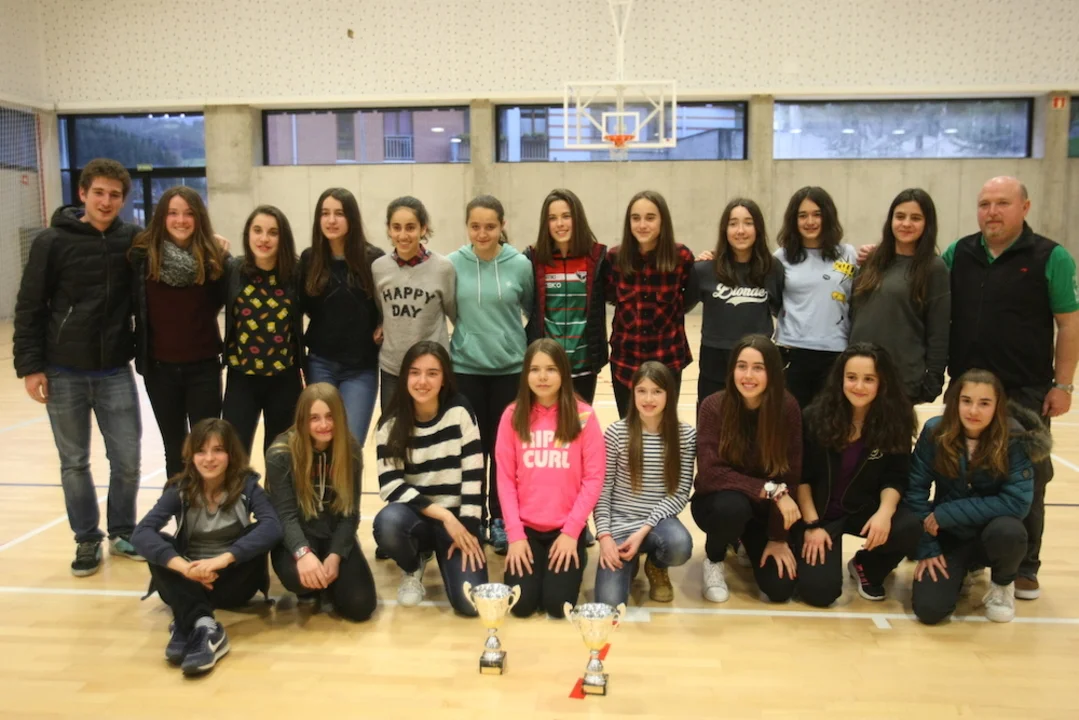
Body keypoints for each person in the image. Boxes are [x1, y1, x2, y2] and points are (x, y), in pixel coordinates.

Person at [942, 177, 1078, 600]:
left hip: (1025, 390)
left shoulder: (1051, 257)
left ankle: (1024, 565)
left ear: (1025, 207)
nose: (992, 212)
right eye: (984, 204)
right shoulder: (959, 253)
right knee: (956, 471)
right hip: (965, 387)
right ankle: (962, 556)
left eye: (1002, 203)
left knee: (1028, 477)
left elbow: (1069, 323)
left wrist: (1063, 384)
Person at [13, 158, 144, 575]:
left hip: (115, 370)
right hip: (63, 371)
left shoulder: (132, 240)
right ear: (82, 193)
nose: (106, 201)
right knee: (74, 463)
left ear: (123, 200)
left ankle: (122, 532)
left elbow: (175, 245)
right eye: (99, 193)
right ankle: (87, 539)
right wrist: (31, 367)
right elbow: (30, 306)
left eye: (115, 195)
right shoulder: (51, 241)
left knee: (128, 460)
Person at [131, 418, 282, 676]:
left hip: (233, 583)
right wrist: (185, 568)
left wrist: (222, 560)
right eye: (201, 451)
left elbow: (272, 527)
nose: (209, 459)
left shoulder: (247, 485)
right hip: (190, 578)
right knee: (160, 544)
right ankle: (205, 628)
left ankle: (185, 621)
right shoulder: (180, 489)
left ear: (230, 454)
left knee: (257, 534)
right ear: (191, 455)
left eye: (218, 450)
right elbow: (141, 533)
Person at [905, 370, 1048, 624]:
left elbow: (1017, 502)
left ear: (997, 406)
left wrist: (947, 513)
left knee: (1010, 531)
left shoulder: (1014, 439)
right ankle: (963, 572)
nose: (973, 411)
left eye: (984, 403)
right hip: (949, 535)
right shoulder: (934, 432)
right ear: (955, 402)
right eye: (966, 401)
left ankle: (1002, 585)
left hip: (990, 533)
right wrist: (927, 548)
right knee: (929, 610)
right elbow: (915, 491)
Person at [793, 344, 921, 606]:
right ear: (840, 379)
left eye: (869, 379)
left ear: (882, 382)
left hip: (863, 509)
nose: (859, 386)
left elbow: (896, 476)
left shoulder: (897, 420)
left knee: (910, 527)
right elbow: (801, 477)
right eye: (851, 377)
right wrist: (812, 526)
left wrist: (884, 514)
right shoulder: (814, 417)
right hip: (820, 514)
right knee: (820, 593)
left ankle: (867, 567)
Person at [373, 341, 487, 614]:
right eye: (415, 373)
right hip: (418, 517)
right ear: (405, 377)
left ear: (444, 378)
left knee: (471, 605)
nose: (422, 381)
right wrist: (444, 516)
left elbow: (474, 476)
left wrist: (468, 529)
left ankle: (448, 555)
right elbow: (391, 486)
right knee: (387, 522)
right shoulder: (390, 423)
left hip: (458, 521)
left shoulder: (460, 411)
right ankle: (413, 566)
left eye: (432, 373)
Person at [449, 195, 534, 554]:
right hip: (465, 368)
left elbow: (529, 307)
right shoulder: (452, 264)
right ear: (467, 226)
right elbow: (449, 309)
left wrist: (506, 341)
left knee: (503, 452)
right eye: (475, 226)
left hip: (509, 371)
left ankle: (500, 518)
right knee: (472, 450)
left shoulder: (520, 265)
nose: (482, 233)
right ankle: (473, 517)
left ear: (502, 226)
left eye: (490, 226)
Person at [496, 339, 605, 618]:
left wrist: (571, 532)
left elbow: (594, 479)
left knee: (557, 607)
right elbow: (505, 480)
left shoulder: (583, 415)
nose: (542, 377)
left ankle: (573, 557)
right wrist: (514, 535)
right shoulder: (512, 416)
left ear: (563, 373)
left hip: (565, 529)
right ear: (525, 374)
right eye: (535, 369)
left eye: (551, 369)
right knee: (521, 606)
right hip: (526, 529)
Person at [691, 334, 802, 604]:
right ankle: (714, 559)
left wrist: (778, 537)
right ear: (732, 370)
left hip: (763, 510)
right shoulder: (713, 406)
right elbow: (710, 473)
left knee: (780, 589)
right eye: (742, 366)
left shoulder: (787, 408)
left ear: (772, 372)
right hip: (718, 504)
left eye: (758, 368)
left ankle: (743, 540)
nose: (748, 376)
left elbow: (791, 474)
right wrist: (771, 490)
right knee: (733, 507)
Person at [130, 186, 228, 478]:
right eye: (173, 213)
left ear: (199, 218)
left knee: (207, 448)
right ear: (162, 217)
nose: (181, 220)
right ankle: (179, 506)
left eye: (188, 214)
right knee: (174, 449)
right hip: (159, 371)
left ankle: (208, 506)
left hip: (203, 370)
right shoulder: (142, 258)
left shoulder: (215, 259)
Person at [264, 383, 377, 622]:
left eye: (330, 416)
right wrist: (303, 553)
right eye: (314, 418)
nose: (324, 425)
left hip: (332, 532)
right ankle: (316, 584)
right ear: (302, 420)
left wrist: (336, 555)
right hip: (298, 534)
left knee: (361, 606)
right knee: (298, 580)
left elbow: (350, 514)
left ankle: (328, 581)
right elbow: (285, 516)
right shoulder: (280, 453)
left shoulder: (350, 450)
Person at [593, 361, 694, 607]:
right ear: (633, 393)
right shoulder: (616, 433)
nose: (649, 399)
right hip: (619, 525)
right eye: (642, 391)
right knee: (609, 603)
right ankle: (630, 559)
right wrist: (605, 537)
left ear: (669, 394)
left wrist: (642, 531)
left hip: (657, 523)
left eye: (657, 391)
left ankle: (656, 565)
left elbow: (680, 493)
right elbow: (602, 490)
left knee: (679, 545)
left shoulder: (685, 436)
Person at [299, 188, 385, 445]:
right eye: (325, 213)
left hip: (361, 368)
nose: (331, 220)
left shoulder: (373, 259)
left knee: (351, 445)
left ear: (351, 218)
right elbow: (300, 306)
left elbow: (387, 303)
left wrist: (384, 324)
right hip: (320, 364)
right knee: (322, 442)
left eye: (339, 213)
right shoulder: (309, 259)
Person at [849, 189, 950, 404]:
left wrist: (934, 378)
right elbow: (854, 315)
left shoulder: (934, 268)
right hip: (860, 376)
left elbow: (939, 331)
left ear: (927, 224)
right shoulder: (872, 261)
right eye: (900, 216)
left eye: (916, 218)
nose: (906, 224)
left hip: (901, 378)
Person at [606, 190, 699, 418]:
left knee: (664, 430)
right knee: (628, 430)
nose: (642, 225)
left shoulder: (681, 257)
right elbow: (609, 296)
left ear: (662, 220)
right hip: (625, 363)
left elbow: (689, 299)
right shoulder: (615, 259)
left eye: (650, 218)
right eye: (635, 218)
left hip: (668, 360)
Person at [221, 205, 303, 457]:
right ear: (248, 234)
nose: (264, 239)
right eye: (257, 230)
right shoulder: (233, 270)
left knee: (280, 456)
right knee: (234, 454)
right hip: (242, 378)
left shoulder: (296, 273)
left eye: (272, 232)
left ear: (283, 238)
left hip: (284, 379)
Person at [693, 197, 783, 405]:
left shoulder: (773, 269)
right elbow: (684, 304)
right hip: (715, 359)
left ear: (758, 228)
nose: (740, 230)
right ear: (724, 230)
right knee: (712, 416)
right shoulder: (704, 269)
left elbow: (780, 308)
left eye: (748, 223)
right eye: (733, 224)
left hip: (758, 358)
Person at [774, 186, 858, 408]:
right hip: (792, 352)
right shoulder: (781, 257)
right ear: (794, 220)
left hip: (835, 353)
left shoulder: (848, 254)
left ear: (827, 216)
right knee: (793, 421)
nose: (809, 221)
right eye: (802, 215)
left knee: (828, 422)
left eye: (816, 214)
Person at [524, 188, 609, 404]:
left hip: (584, 364)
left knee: (579, 422)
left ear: (577, 218)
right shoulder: (534, 258)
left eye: (566, 216)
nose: (559, 224)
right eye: (552, 218)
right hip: (546, 366)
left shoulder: (597, 257)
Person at [372, 196, 456, 412]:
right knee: (392, 429)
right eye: (396, 227)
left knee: (433, 428)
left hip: (431, 369)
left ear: (423, 228)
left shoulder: (443, 268)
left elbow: (454, 313)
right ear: (389, 230)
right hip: (393, 368)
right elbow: (381, 310)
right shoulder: (379, 268)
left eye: (410, 227)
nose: (403, 235)